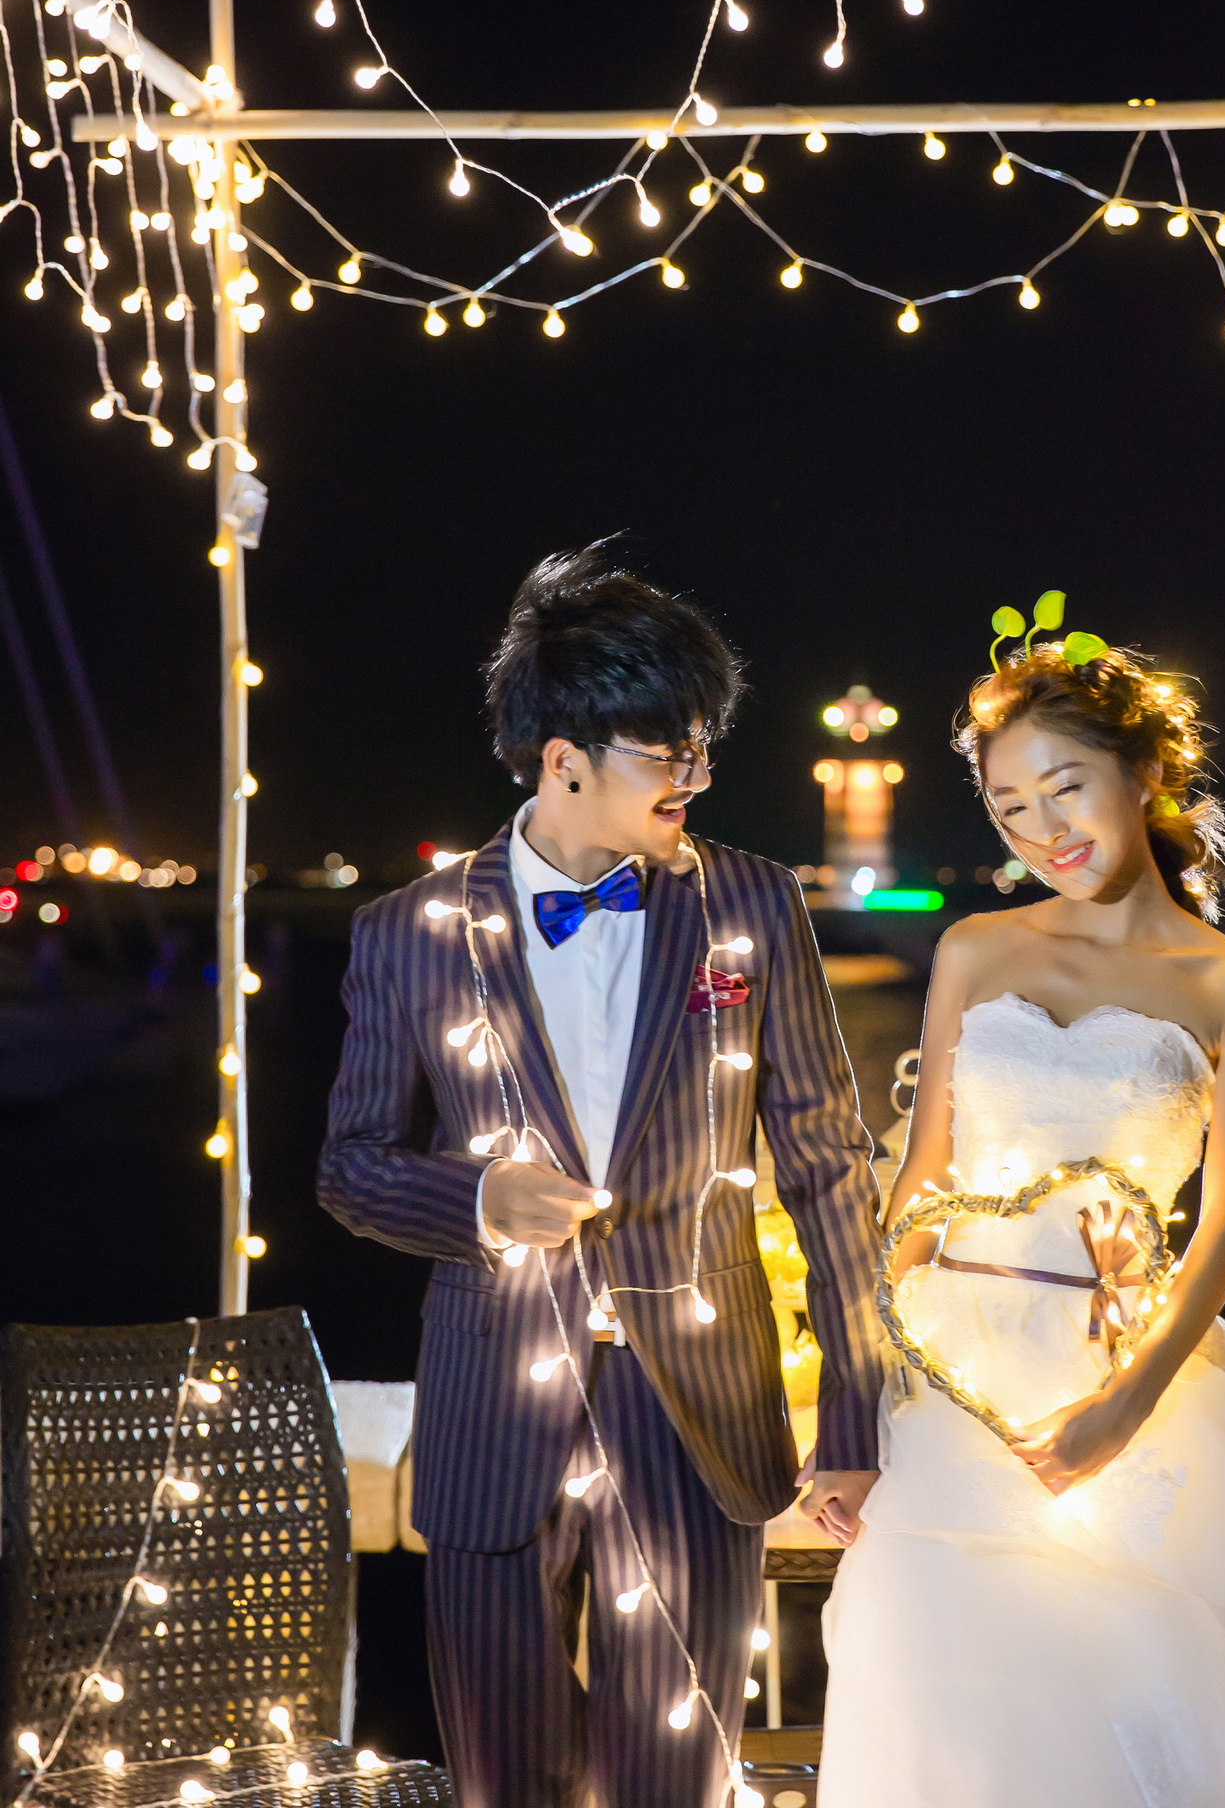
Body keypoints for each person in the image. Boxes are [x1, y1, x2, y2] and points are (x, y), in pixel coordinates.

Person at [820, 614, 1225, 1808]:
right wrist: (863, 1405)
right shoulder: (973, 949)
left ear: (1146, 771)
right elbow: (919, 1186)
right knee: (949, 1685)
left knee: (1143, 1682)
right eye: (1010, 807)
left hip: (1123, 1364)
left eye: (1065, 788)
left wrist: (1119, 1410)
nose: (1043, 831)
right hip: (950, 1373)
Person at [319, 544, 883, 1808]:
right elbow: (351, 1170)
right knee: (503, 1781)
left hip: (696, 1412)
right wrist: (478, 1201)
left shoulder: (750, 905)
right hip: (491, 1416)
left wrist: (856, 1420)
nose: (698, 774)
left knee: (675, 1780)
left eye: (703, 746)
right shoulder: (407, 933)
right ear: (564, 756)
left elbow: (828, 1168)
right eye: (667, 750)